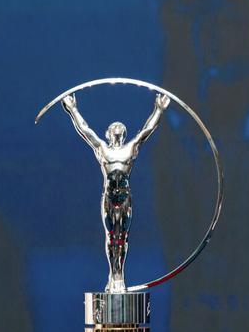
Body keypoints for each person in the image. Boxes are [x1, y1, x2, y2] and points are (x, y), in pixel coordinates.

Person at [61, 92, 169, 292]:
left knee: (122, 237)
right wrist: (72, 109)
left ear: (124, 134)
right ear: (108, 134)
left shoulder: (131, 149)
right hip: (110, 198)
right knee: (112, 236)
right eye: (113, 129)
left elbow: (147, 130)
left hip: (125, 197)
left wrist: (159, 109)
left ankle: (120, 276)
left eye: (120, 129)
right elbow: (85, 130)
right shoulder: (103, 149)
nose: (117, 130)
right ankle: (114, 274)